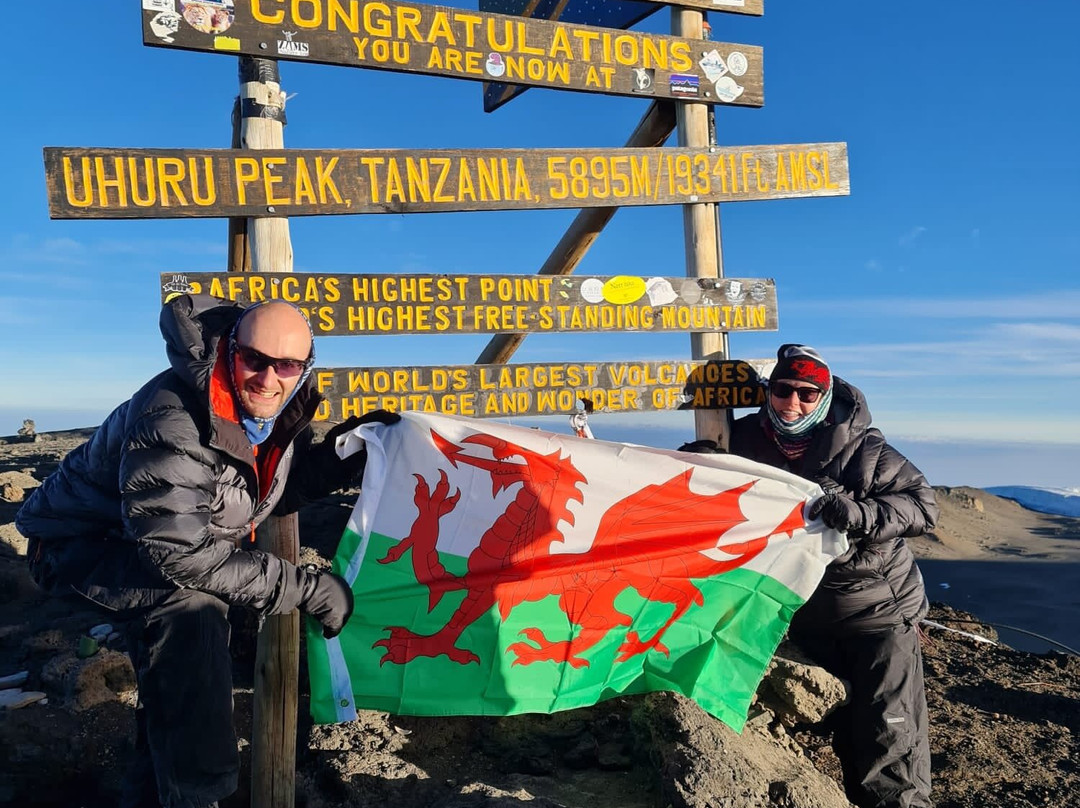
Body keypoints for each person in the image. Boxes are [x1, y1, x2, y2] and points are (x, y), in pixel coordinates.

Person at [16, 294, 397, 808]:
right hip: (76, 547)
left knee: (172, 692)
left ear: (304, 367)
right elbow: (177, 553)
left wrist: (338, 460)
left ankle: (161, 791)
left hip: (149, 541)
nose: (269, 378)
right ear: (231, 351)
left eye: (286, 365)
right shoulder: (174, 417)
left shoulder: (274, 411)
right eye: (256, 360)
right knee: (191, 611)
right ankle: (199, 794)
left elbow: (258, 494)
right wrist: (303, 587)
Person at [681, 344, 938, 808]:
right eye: (783, 390)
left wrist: (860, 514)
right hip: (791, 611)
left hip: (874, 612)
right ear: (769, 392)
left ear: (825, 396)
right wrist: (696, 470)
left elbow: (922, 507)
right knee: (837, 733)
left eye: (806, 393)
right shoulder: (736, 443)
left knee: (888, 739)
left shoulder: (864, 449)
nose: (792, 402)